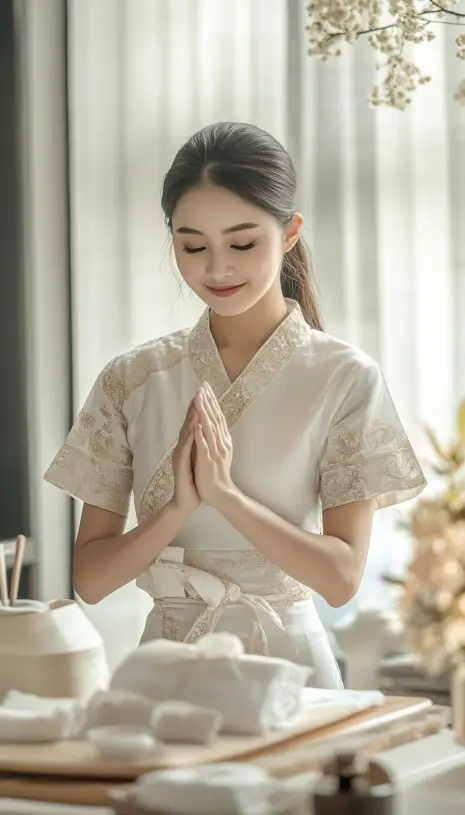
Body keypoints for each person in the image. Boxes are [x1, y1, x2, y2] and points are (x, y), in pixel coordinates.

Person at [44, 122, 426, 688]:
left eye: (242, 243)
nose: (216, 268)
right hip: (163, 672)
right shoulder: (133, 378)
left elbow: (342, 578)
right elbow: (92, 581)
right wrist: (177, 508)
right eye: (192, 246)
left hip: (290, 669)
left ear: (290, 232)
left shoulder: (345, 377)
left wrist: (225, 496)